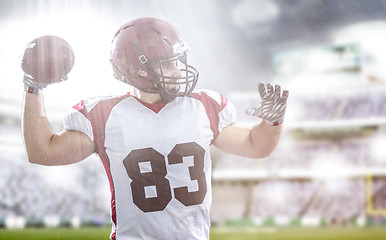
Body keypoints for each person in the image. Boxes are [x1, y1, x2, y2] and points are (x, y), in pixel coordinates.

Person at [22, 17, 288, 240]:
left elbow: (256, 145)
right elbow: (42, 152)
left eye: (178, 60)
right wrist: (34, 87)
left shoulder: (204, 105)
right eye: (167, 64)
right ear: (137, 70)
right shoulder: (103, 116)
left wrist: (272, 121)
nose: (177, 70)